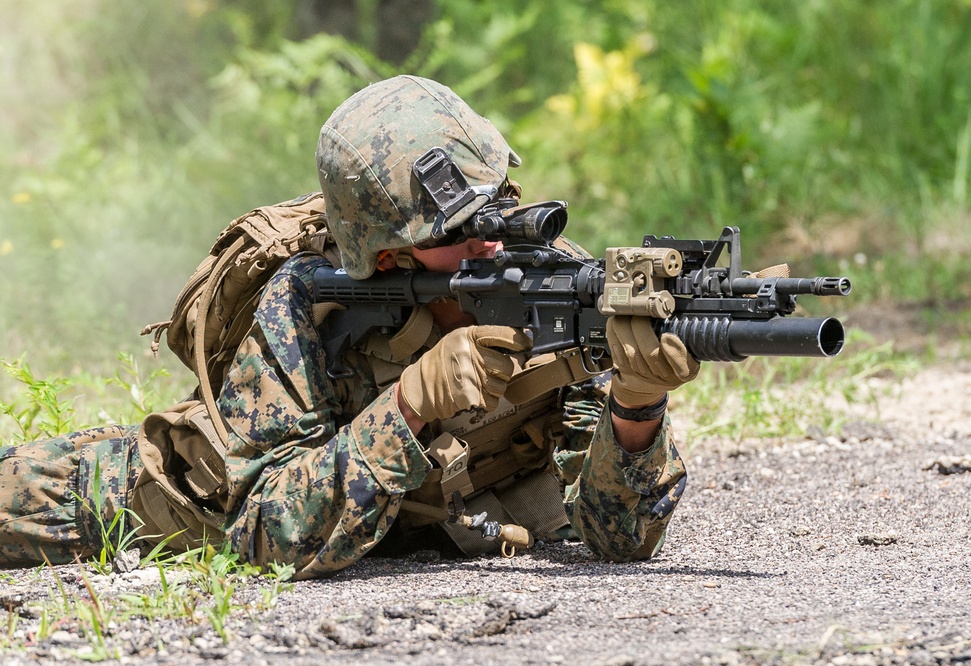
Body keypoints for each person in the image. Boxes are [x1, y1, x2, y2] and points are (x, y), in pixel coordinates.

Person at [0, 75, 699, 577]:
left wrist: (636, 407)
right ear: (389, 254)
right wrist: (410, 405)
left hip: (406, 521)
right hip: (192, 493)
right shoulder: (312, 301)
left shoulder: (557, 286)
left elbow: (619, 538)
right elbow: (267, 533)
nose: (494, 239)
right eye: (459, 230)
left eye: (503, 202)